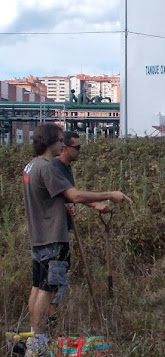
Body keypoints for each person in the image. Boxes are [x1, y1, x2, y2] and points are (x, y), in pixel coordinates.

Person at [22, 123, 132, 357]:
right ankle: (39, 345)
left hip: (39, 236)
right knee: (47, 290)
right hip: (53, 236)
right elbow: (74, 195)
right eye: (60, 140)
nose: (63, 144)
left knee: (38, 287)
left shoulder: (31, 166)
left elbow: (55, 197)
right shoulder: (48, 167)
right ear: (51, 142)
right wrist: (110, 194)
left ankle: (35, 339)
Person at [48, 131, 111, 324]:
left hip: (63, 229)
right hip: (53, 233)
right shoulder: (54, 167)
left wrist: (95, 205)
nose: (80, 151)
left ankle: (50, 321)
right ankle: (49, 323)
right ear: (64, 148)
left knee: (58, 276)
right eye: (77, 147)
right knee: (54, 281)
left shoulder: (66, 168)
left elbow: (71, 195)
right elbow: (72, 196)